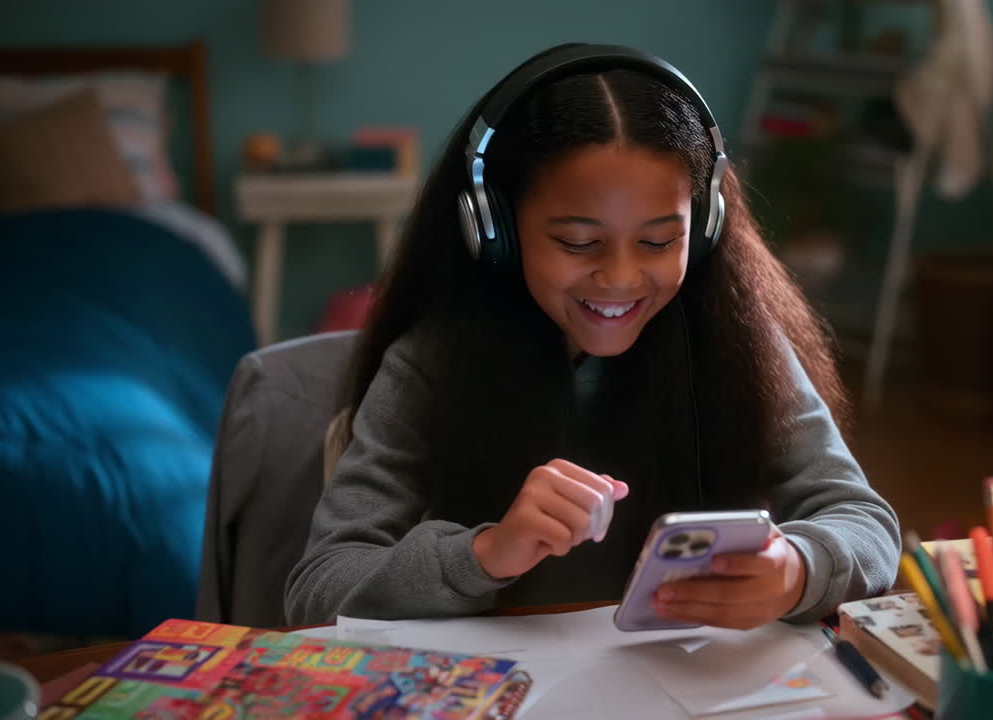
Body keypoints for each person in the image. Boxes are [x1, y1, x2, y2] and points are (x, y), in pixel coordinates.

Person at [285, 44, 900, 629]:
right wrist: (485, 554)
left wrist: (797, 569)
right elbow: (318, 590)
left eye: (660, 241)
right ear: (493, 227)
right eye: (578, 242)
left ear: (706, 224)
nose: (621, 278)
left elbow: (867, 523)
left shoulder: (739, 342)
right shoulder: (431, 363)